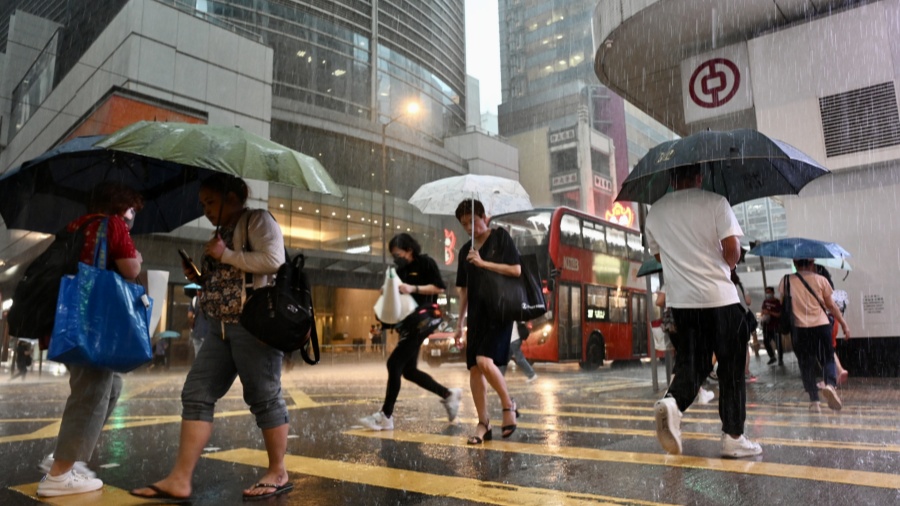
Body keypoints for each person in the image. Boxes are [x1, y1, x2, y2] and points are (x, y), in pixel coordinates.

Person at [131, 174, 292, 501]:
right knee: (196, 393)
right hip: (219, 328)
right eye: (203, 203)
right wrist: (202, 277)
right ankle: (180, 479)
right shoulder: (221, 232)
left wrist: (224, 254)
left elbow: (274, 260)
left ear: (232, 198)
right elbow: (229, 277)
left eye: (211, 202)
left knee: (263, 396)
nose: (205, 209)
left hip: (253, 325)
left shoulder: (257, 220)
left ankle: (278, 471)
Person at [645, 165, 762, 458]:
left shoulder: (655, 212)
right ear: (699, 177)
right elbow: (732, 250)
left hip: (683, 305)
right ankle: (733, 437)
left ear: (671, 179)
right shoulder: (716, 202)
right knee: (731, 368)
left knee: (694, 364)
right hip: (720, 299)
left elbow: (659, 255)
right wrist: (723, 263)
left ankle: (672, 402)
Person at [37, 182, 144, 497]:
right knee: (91, 393)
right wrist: (136, 256)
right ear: (121, 206)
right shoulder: (113, 225)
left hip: (69, 320)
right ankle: (59, 474)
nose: (132, 215)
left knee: (110, 387)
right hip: (94, 325)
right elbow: (130, 269)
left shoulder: (77, 225)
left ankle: (67, 458)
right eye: (132, 209)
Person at [359, 233, 463, 431]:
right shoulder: (401, 270)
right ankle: (449, 395)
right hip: (408, 322)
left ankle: (386, 415)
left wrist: (412, 288)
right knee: (409, 371)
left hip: (422, 320)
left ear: (409, 250)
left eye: (398, 254)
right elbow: (398, 292)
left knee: (394, 363)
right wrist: (388, 291)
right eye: (393, 255)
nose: (396, 258)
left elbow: (439, 288)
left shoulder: (426, 263)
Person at [454, 199, 521, 444]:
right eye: (464, 224)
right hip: (477, 314)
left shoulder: (501, 238)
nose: (469, 227)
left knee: (484, 360)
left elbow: (516, 270)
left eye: (473, 221)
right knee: (474, 367)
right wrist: (459, 324)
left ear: (485, 217)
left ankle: (508, 404)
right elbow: (464, 291)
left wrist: (483, 263)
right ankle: (484, 423)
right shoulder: (465, 251)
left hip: (499, 311)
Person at [780, 259, 850, 411]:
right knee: (827, 358)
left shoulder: (786, 281)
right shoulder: (821, 280)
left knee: (806, 364)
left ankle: (814, 401)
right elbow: (831, 306)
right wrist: (844, 324)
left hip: (800, 329)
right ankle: (830, 385)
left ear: (794, 263)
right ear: (812, 263)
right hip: (821, 326)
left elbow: (784, 304)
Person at [731, 269, 757, 383]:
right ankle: (745, 371)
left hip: (729, 319)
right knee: (744, 346)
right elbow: (748, 302)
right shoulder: (740, 285)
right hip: (742, 319)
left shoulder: (722, 285)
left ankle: (735, 372)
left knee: (731, 346)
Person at [760, 287, 784, 365]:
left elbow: (779, 315)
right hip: (766, 326)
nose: (768, 294)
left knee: (778, 344)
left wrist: (770, 312)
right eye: (766, 292)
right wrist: (763, 315)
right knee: (766, 342)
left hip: (775, 326)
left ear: (773, 293)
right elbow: (762, 311)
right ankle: (772, 357)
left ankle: (780, 359)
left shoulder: (777, 302)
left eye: (769, 292)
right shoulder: (765, 302)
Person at [186, 286, 209, 359]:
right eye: (197, 290)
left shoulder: (195, 299)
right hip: (206, 333)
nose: (198, 292)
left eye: (199, 290)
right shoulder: (209, 300)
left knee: (198, 356)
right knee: (205, 356)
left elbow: (190, 315)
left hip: (197, 332)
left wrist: (192, 317)